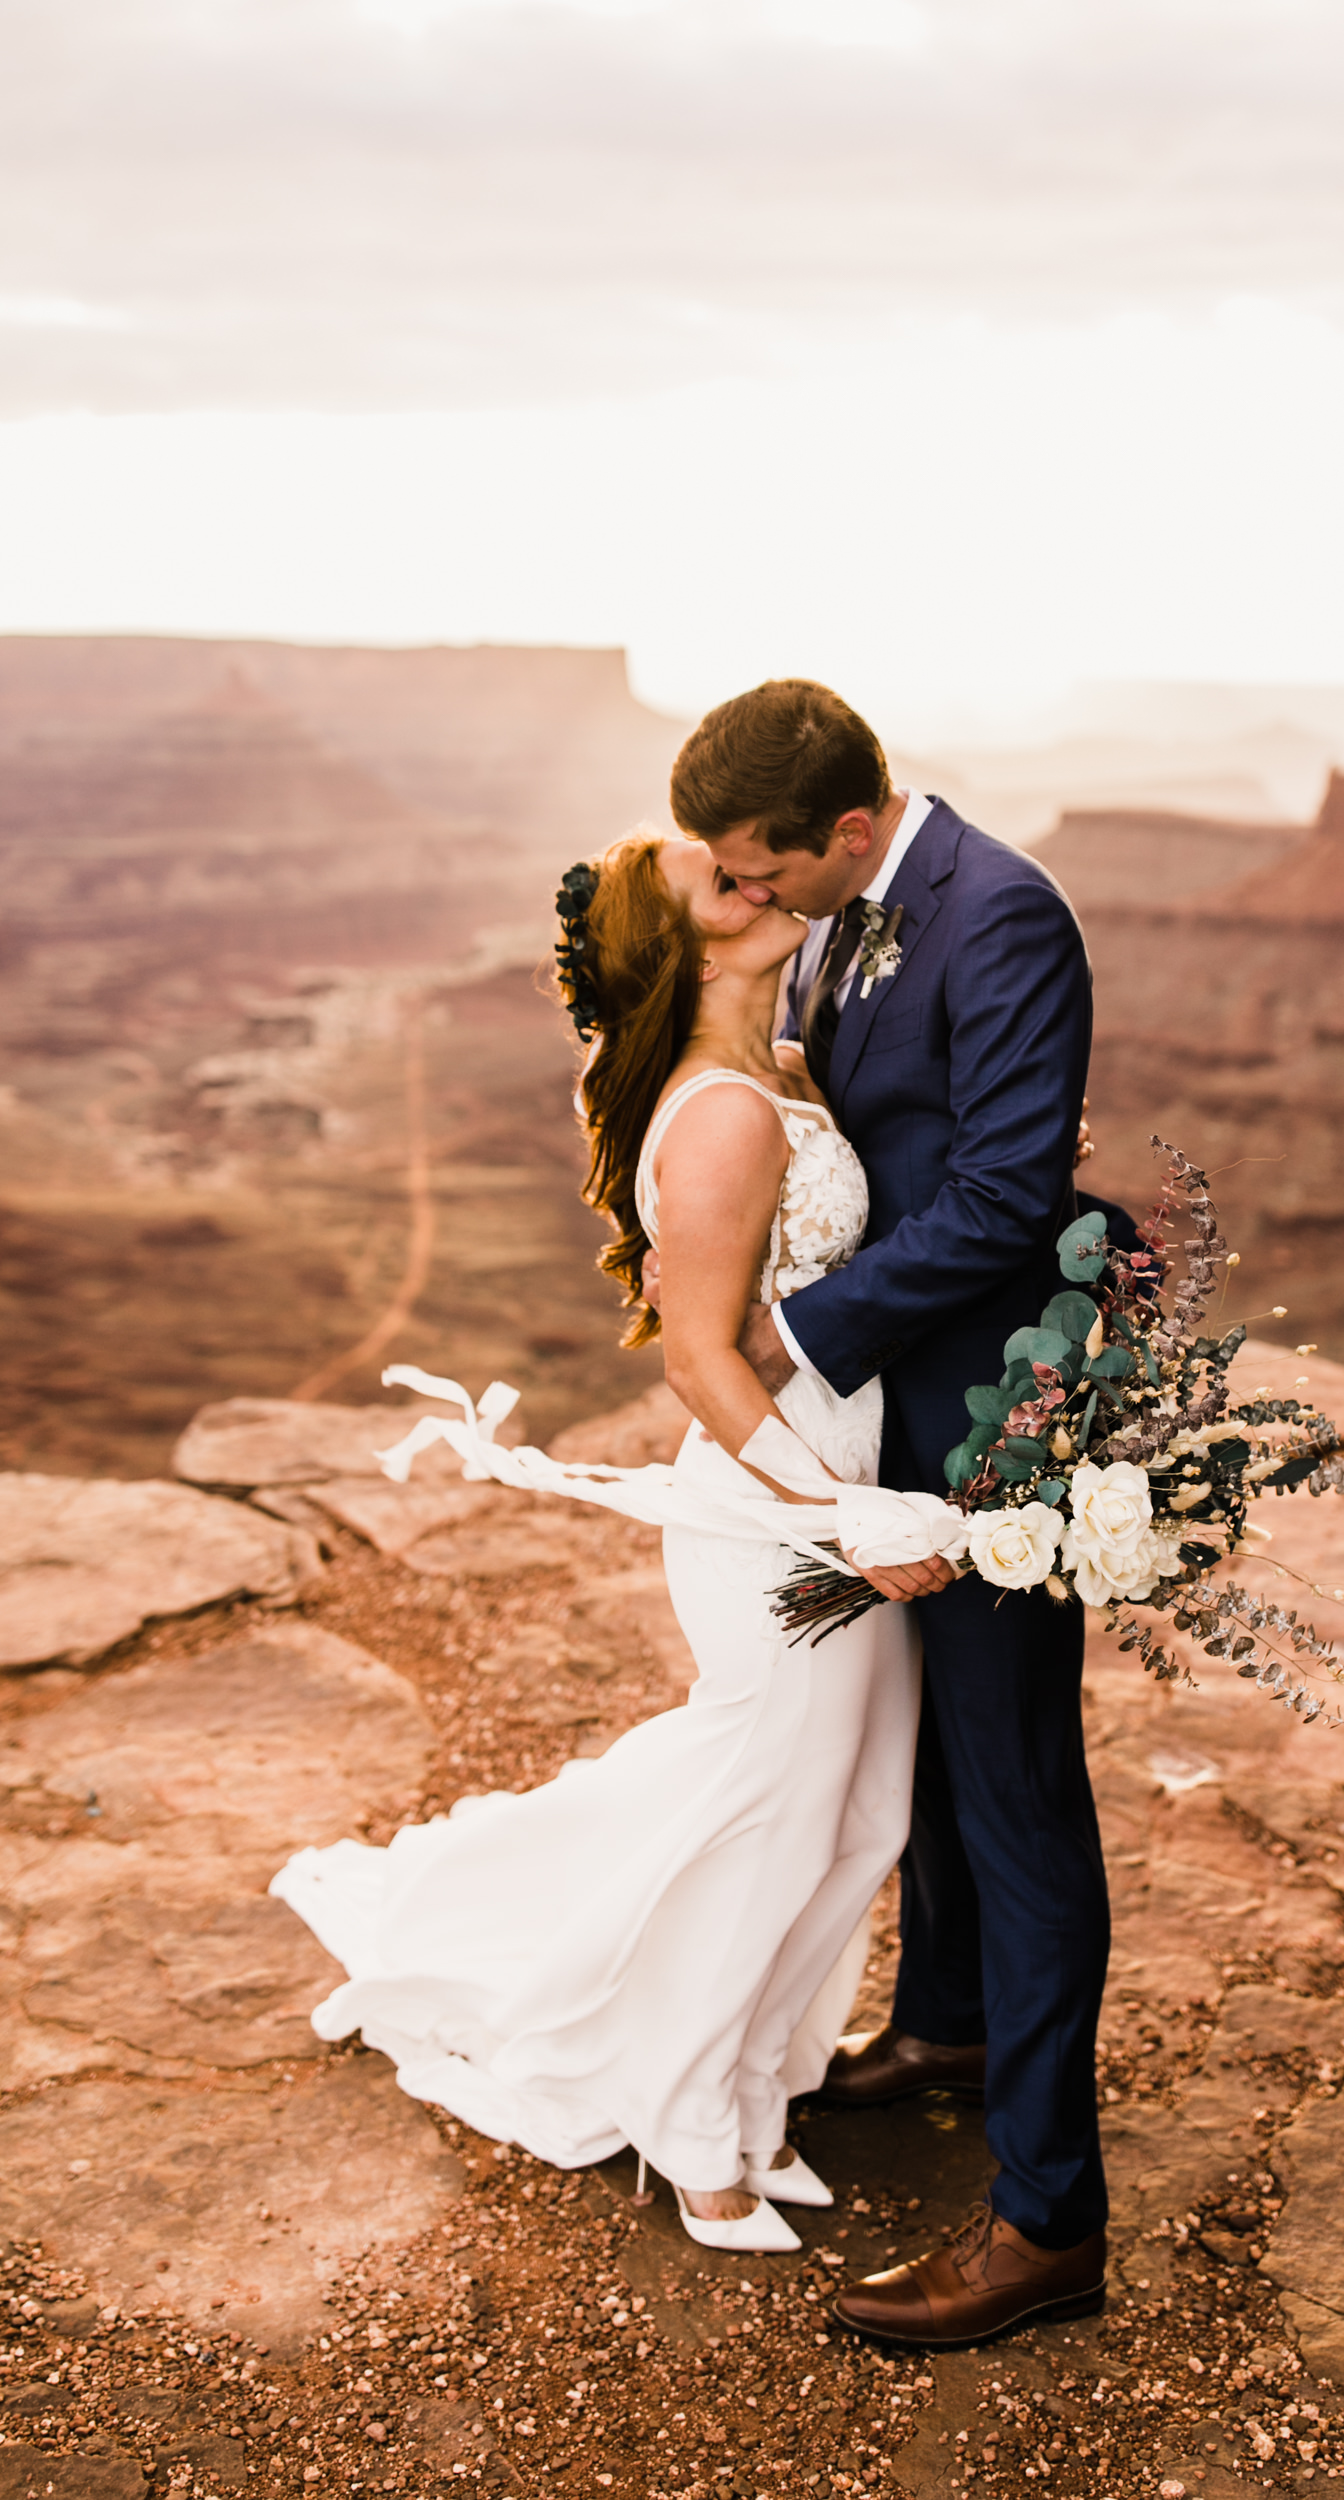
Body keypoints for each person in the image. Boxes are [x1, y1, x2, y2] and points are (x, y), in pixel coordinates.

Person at [272, 824, 922, 2256]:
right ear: (685, 949)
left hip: (837, 1485)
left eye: (760, 871)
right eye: (726, 885)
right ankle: (695, 2134)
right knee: (774, 1819)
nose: (763, 887)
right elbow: (699, 1362)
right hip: (782, 1511)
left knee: (860, 1813)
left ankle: (756, 2091)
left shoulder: (782, 1076)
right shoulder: (725, 1116)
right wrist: (845, 1516)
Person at [669, 679, 1140, 2346]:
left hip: (989, 1424)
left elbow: (1015, 1195)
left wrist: (787, 1337)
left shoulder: (999, 914)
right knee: (928, 1749)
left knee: (1015, 1788)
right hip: (889, 1420)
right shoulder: (848, 920)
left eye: (766, 869)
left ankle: (1043, 2217)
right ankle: (943, 2023)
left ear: (852, 832)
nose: (755, 896)